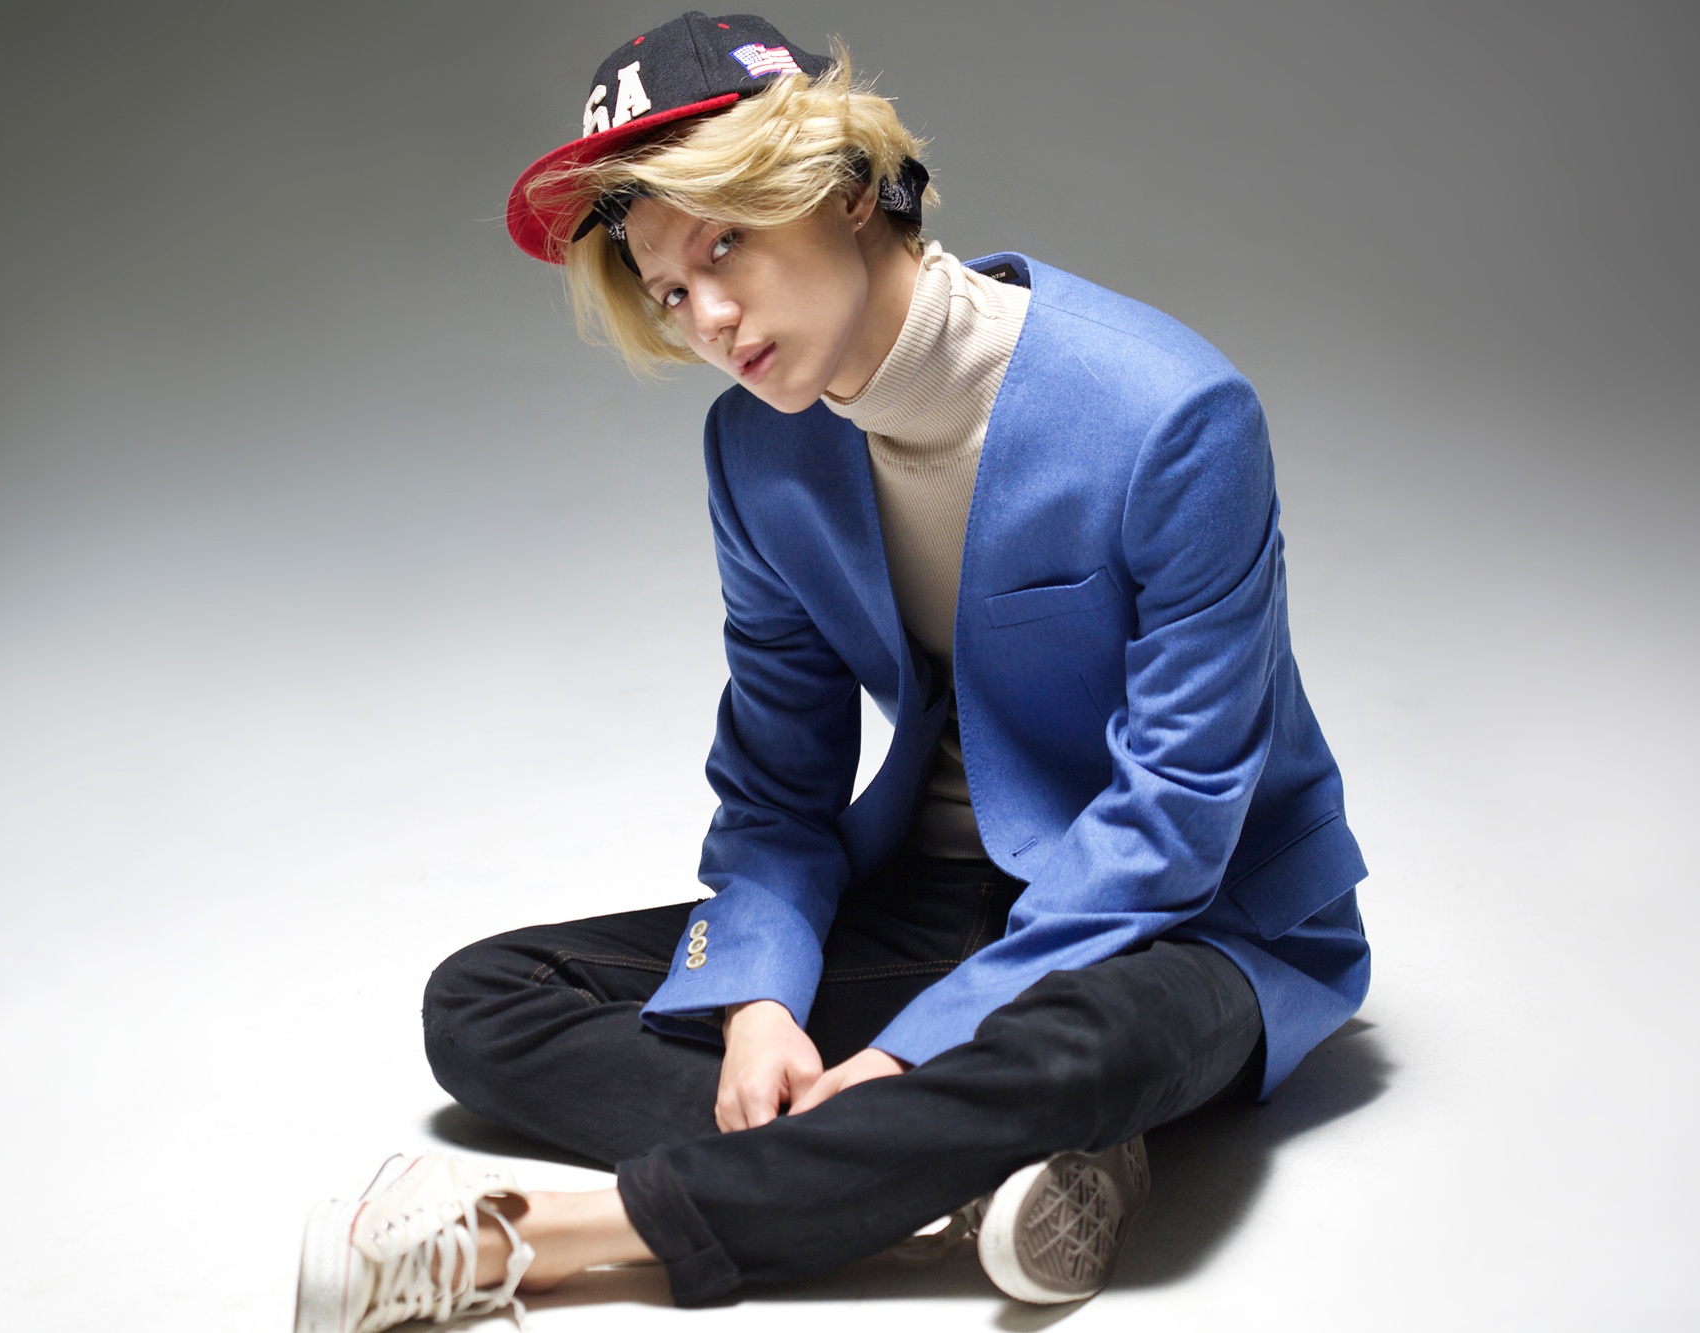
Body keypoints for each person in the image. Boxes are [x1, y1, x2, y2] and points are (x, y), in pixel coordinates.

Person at [292, 11, 1371, 1331]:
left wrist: (911, 1048)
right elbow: (777, 783)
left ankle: (539, 1238)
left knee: (1098, 1040)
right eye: (669, 290)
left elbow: (1176, 820)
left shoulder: (1169, 416)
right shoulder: (759, 455)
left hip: (1193, 919)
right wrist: (758, 999)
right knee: (484, 1003)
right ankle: (949, 1160)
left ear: (850, 190)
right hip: (934, 895)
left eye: (724, 243)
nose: (708, 318)